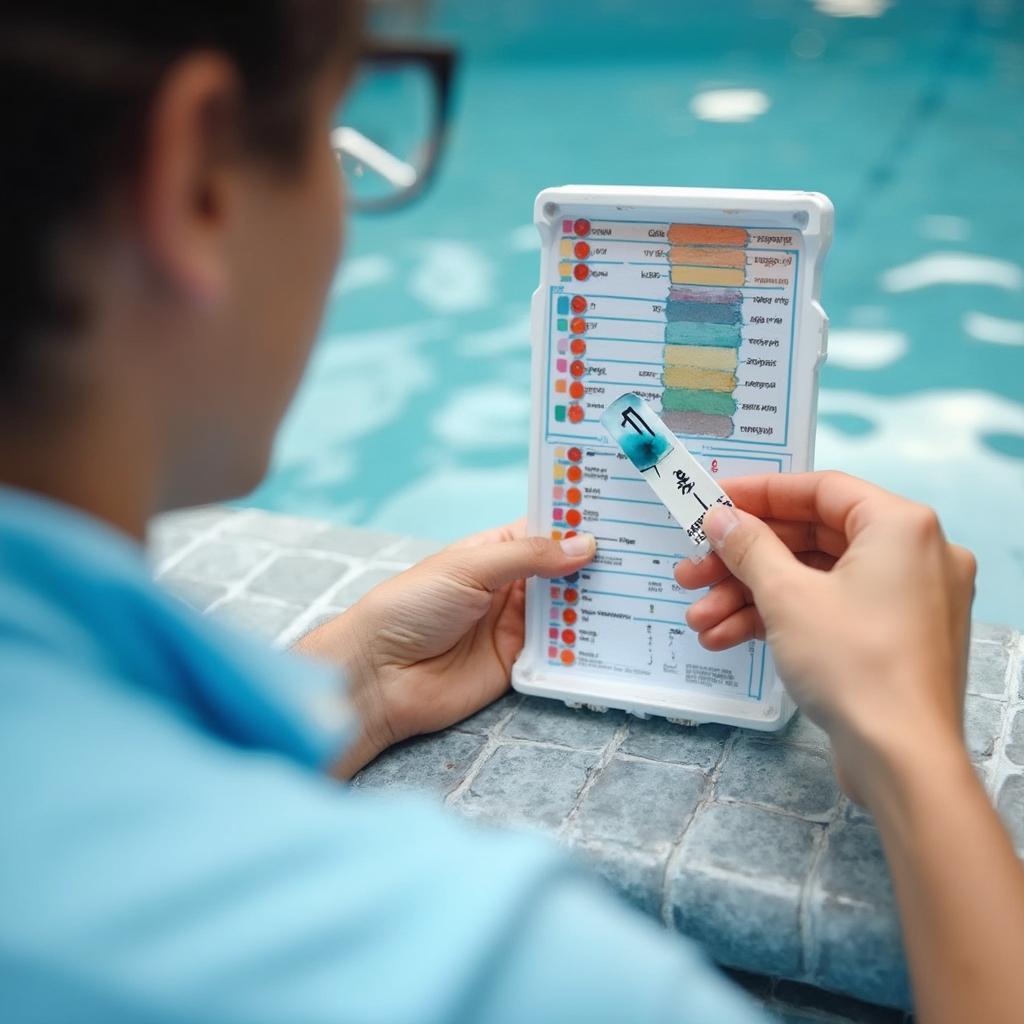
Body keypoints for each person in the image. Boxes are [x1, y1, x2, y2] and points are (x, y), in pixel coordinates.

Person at [0, 4, 1020, 1024]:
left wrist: (359, 687)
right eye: (344, 141)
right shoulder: (493, 973)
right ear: (194, 183)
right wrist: (912, 747)